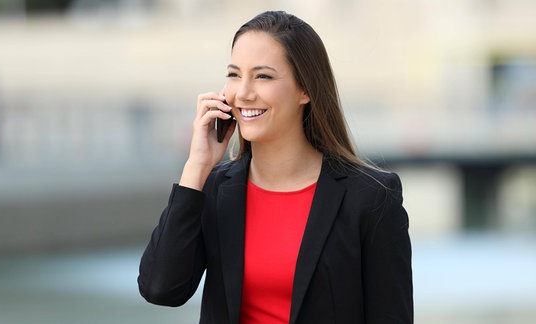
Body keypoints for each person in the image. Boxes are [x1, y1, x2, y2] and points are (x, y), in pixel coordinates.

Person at [138, 10, 413, 324]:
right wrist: (196, 166)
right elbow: (160, 289)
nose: (243, 92)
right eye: (233, 74)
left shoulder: (371, 197)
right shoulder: (215, 189)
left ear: (305, 90)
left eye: (263, 76)